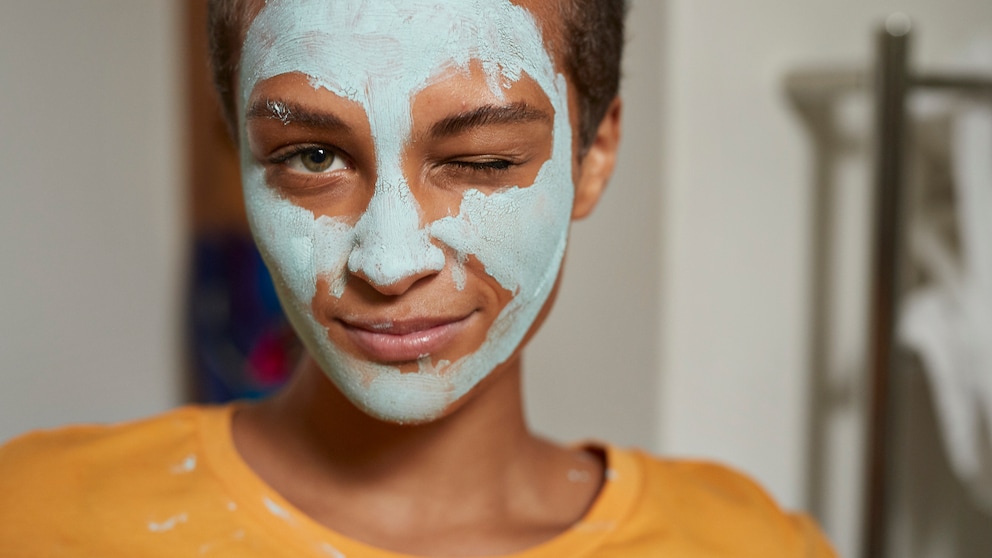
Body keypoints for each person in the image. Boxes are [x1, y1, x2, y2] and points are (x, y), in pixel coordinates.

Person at [0, 0, 837, 556]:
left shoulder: (748, 545)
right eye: (312, 157)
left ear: (594, 156)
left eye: (480, 161)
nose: (390, 260)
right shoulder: (34, 517)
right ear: (244, 152)